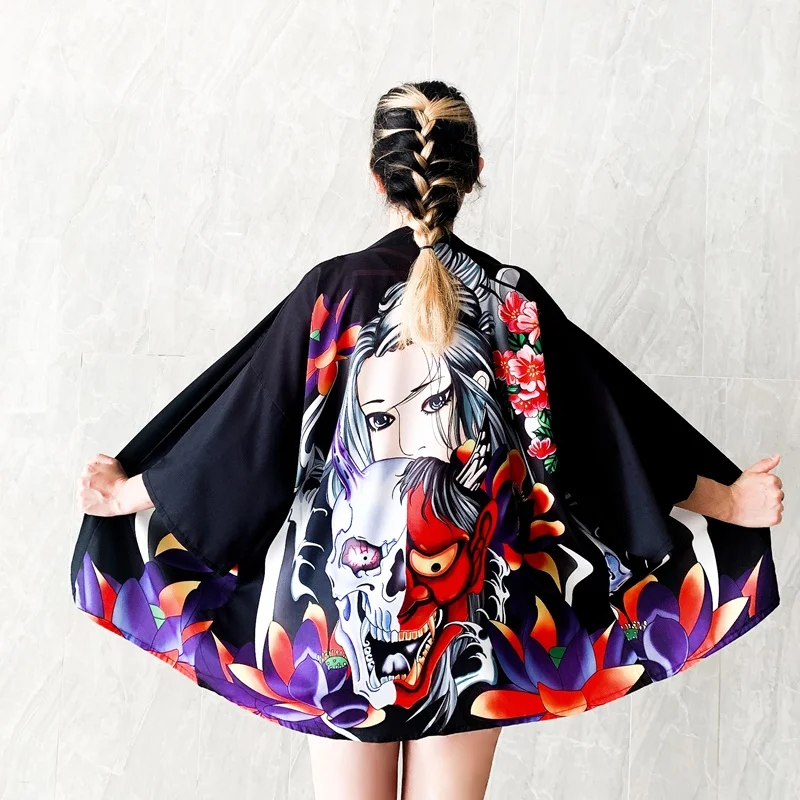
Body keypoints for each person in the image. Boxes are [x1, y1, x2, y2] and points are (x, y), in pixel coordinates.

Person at [73, 81, 784, 800]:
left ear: (376, 177)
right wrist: (730, 503)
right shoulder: (511, 300)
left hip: (339, 623)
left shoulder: (332, 295)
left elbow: (243, 436)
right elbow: (608, 441)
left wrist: (128, 494)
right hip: (475, 622)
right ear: (474, 174)